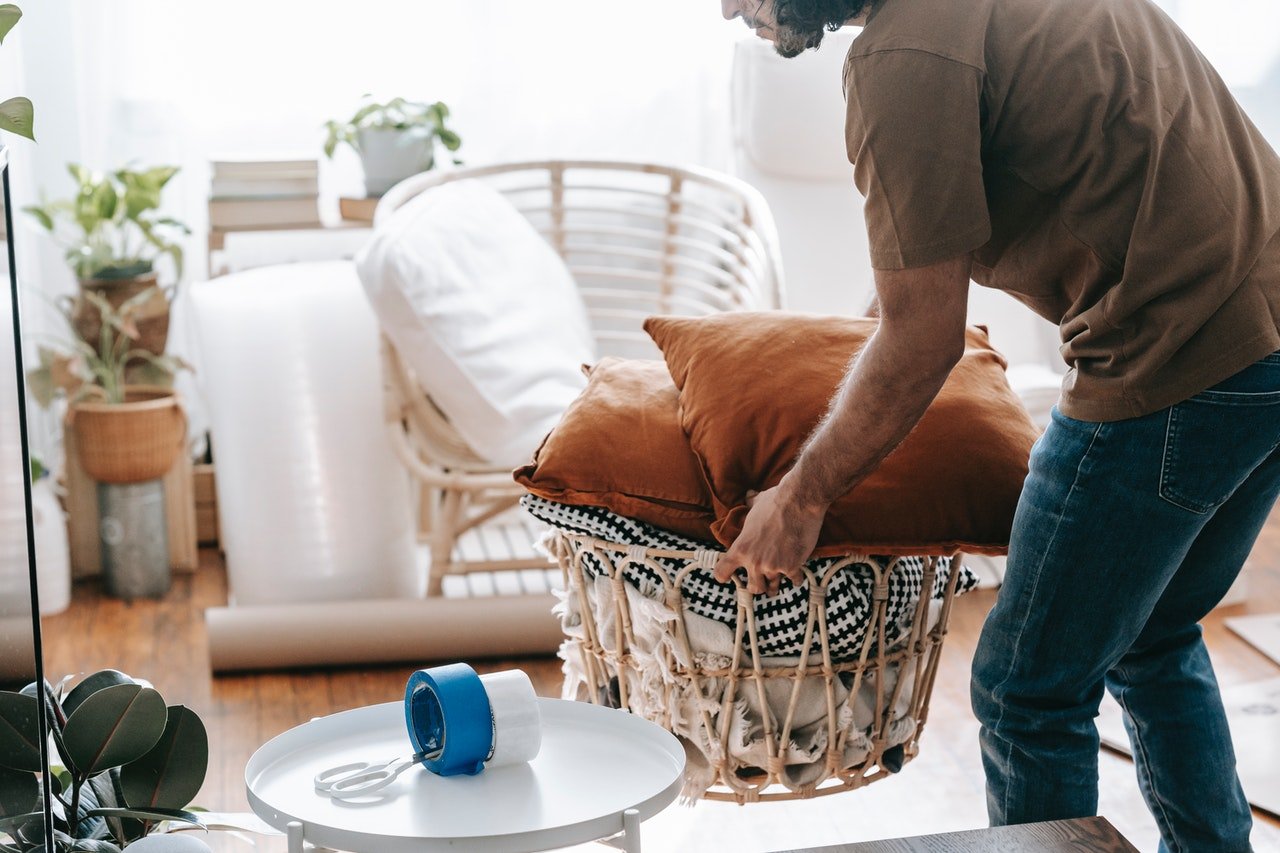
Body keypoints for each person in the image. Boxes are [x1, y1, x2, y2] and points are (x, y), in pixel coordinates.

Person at [716, 0, 1280, 850]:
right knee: (1153, 633)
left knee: (1028, 687)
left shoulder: (901, 61)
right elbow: (918, 286)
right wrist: (846, 375)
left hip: (1175, 361)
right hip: (1268, 329)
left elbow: (923, 338)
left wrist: (803, 494)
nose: (728, 7)